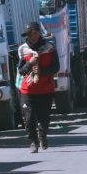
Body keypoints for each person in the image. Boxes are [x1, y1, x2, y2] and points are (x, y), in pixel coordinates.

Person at [17, 22, 59, 153]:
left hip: (45, 90)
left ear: (39, 33)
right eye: (29, 34)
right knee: (28, 118)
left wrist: (42, 72)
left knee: (44, 119)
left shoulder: (50, 48)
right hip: (27, 90)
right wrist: (30, 63)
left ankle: (42, 134)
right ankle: (33, 142)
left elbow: (56, 67)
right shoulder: (23, 49)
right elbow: (21, 70)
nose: (32, 37)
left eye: (34, 33)